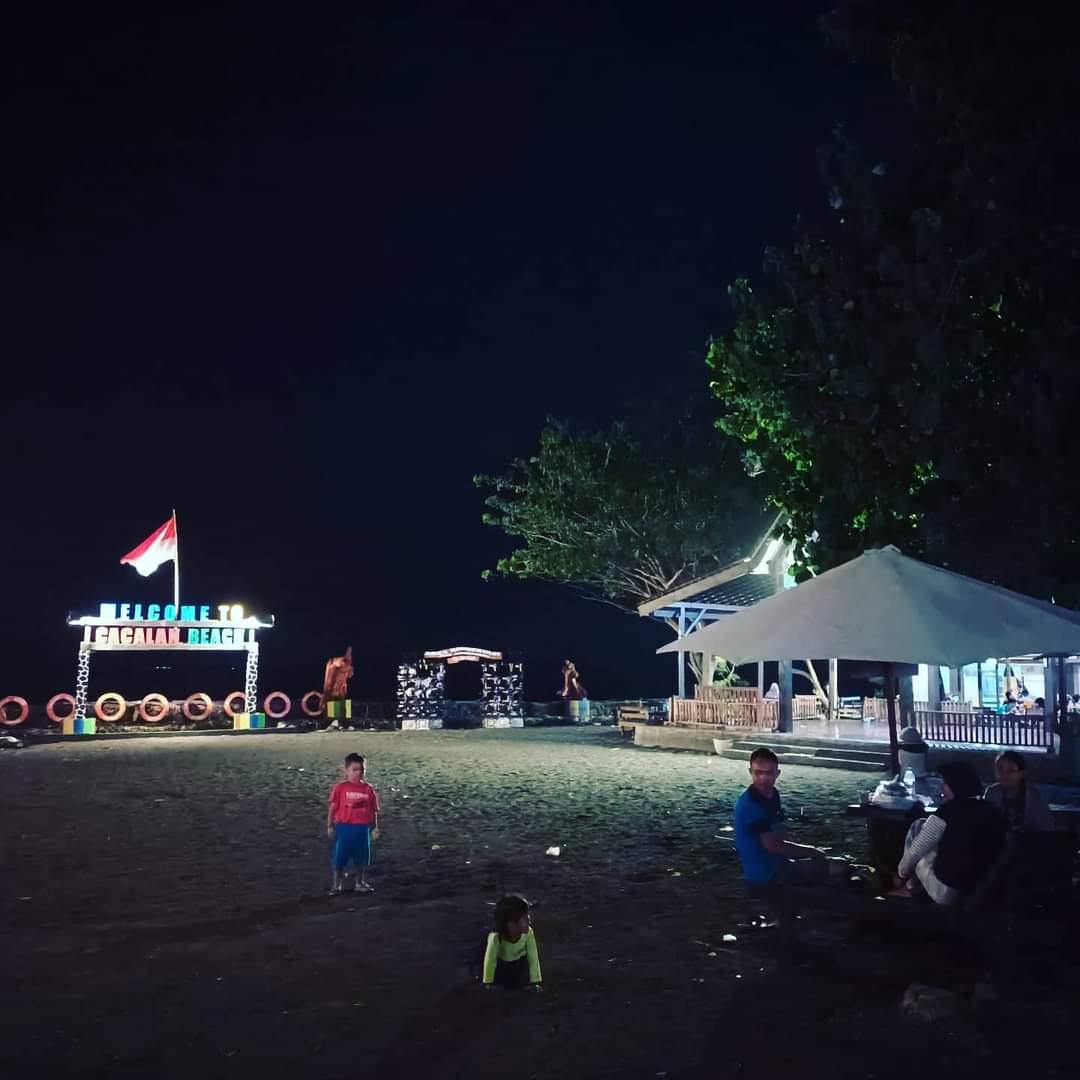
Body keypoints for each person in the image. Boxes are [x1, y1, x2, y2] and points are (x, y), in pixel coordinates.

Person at [891, 761, 1005, 904]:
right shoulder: (991, 810)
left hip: (948, 892)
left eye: (945, 783)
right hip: (981, 887)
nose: (941, 787)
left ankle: (908, 887)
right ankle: (911, 885)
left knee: (917, 839)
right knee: (922, 827)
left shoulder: (947, 812)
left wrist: (901, 874)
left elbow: (917, 850)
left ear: (956, 787)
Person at [733, 747, 832, 886]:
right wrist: (811, 851)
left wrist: (802, 852)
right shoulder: (750, 804)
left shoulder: (772, 794)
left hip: (779, 863)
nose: (763, 778)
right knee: (835, 868)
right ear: (750, 772)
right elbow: (772, 846)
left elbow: (779, 832)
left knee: (832, 865)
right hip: (765, 874)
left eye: (769, 773)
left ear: (777, 773)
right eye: (758, 773)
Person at [326, 752, 380, 896]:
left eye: (362, 770)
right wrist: (330, 825)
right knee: (339, 857)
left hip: (362, 829)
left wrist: (375, 827)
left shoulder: (368, 789)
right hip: (344, 827)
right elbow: (333, 807)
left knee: (361, 858)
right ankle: (337, 884)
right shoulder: (340, 788)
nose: (358, 773)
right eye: (355, 770)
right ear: (347, 770)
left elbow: (373, 810)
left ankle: (359, 882)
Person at [983, 750, 1055, 836]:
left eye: (1011, 770)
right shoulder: (991, 792)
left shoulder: (1034, 796)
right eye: (1000, 769)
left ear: (1022, 773)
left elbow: (1046, 827)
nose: (1004, 774)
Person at [482, 894, 542, 991]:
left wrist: (535, 982)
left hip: (520, 964)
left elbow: (533, 957)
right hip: (502, 966)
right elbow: (490, 960)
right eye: (525, 917)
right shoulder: (496, 937)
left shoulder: (529, 933)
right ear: (511, 924)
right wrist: (488, 983)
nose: (529, 920)